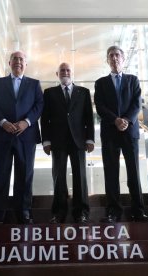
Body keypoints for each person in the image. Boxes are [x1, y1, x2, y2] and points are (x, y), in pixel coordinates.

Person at [94, 45, 148, 223]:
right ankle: (113, 212)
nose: (114, 58)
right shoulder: (100, 83)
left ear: (123, 59)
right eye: (110, 55)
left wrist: (126, 120)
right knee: (111, 172)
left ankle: (138, 211)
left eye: (117, 55)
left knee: (133, 172)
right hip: (110, 133)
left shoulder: (133, 80)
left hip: (130, 132)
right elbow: (100, 106)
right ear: (107, 60)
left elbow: (137, 103)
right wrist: (116, 120)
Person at [0, 50, 44, 224]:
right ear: (9, 63)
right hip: (3, 134)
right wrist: (3, 122)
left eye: (21, 59)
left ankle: (24, 211)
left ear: (26, 64)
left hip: (26, 136)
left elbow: (39, 105)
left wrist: (27, 122)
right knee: (1, 174)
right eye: (15, 59)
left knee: (25, 175)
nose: (18, 62)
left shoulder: (34, 84)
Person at [41, 62, 94, 223]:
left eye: (68, 70)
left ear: (72, 73)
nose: (65, 72)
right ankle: (59, 212)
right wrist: (46, 141)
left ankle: (81, 212)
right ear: (57, 74)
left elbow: (88, 118)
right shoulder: (49, 93)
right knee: (58, 177)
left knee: (80, 177)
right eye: (62, 70)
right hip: (57, 141)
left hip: (79, 141)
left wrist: (90, 139)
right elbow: (45, 119)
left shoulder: (84, 92)